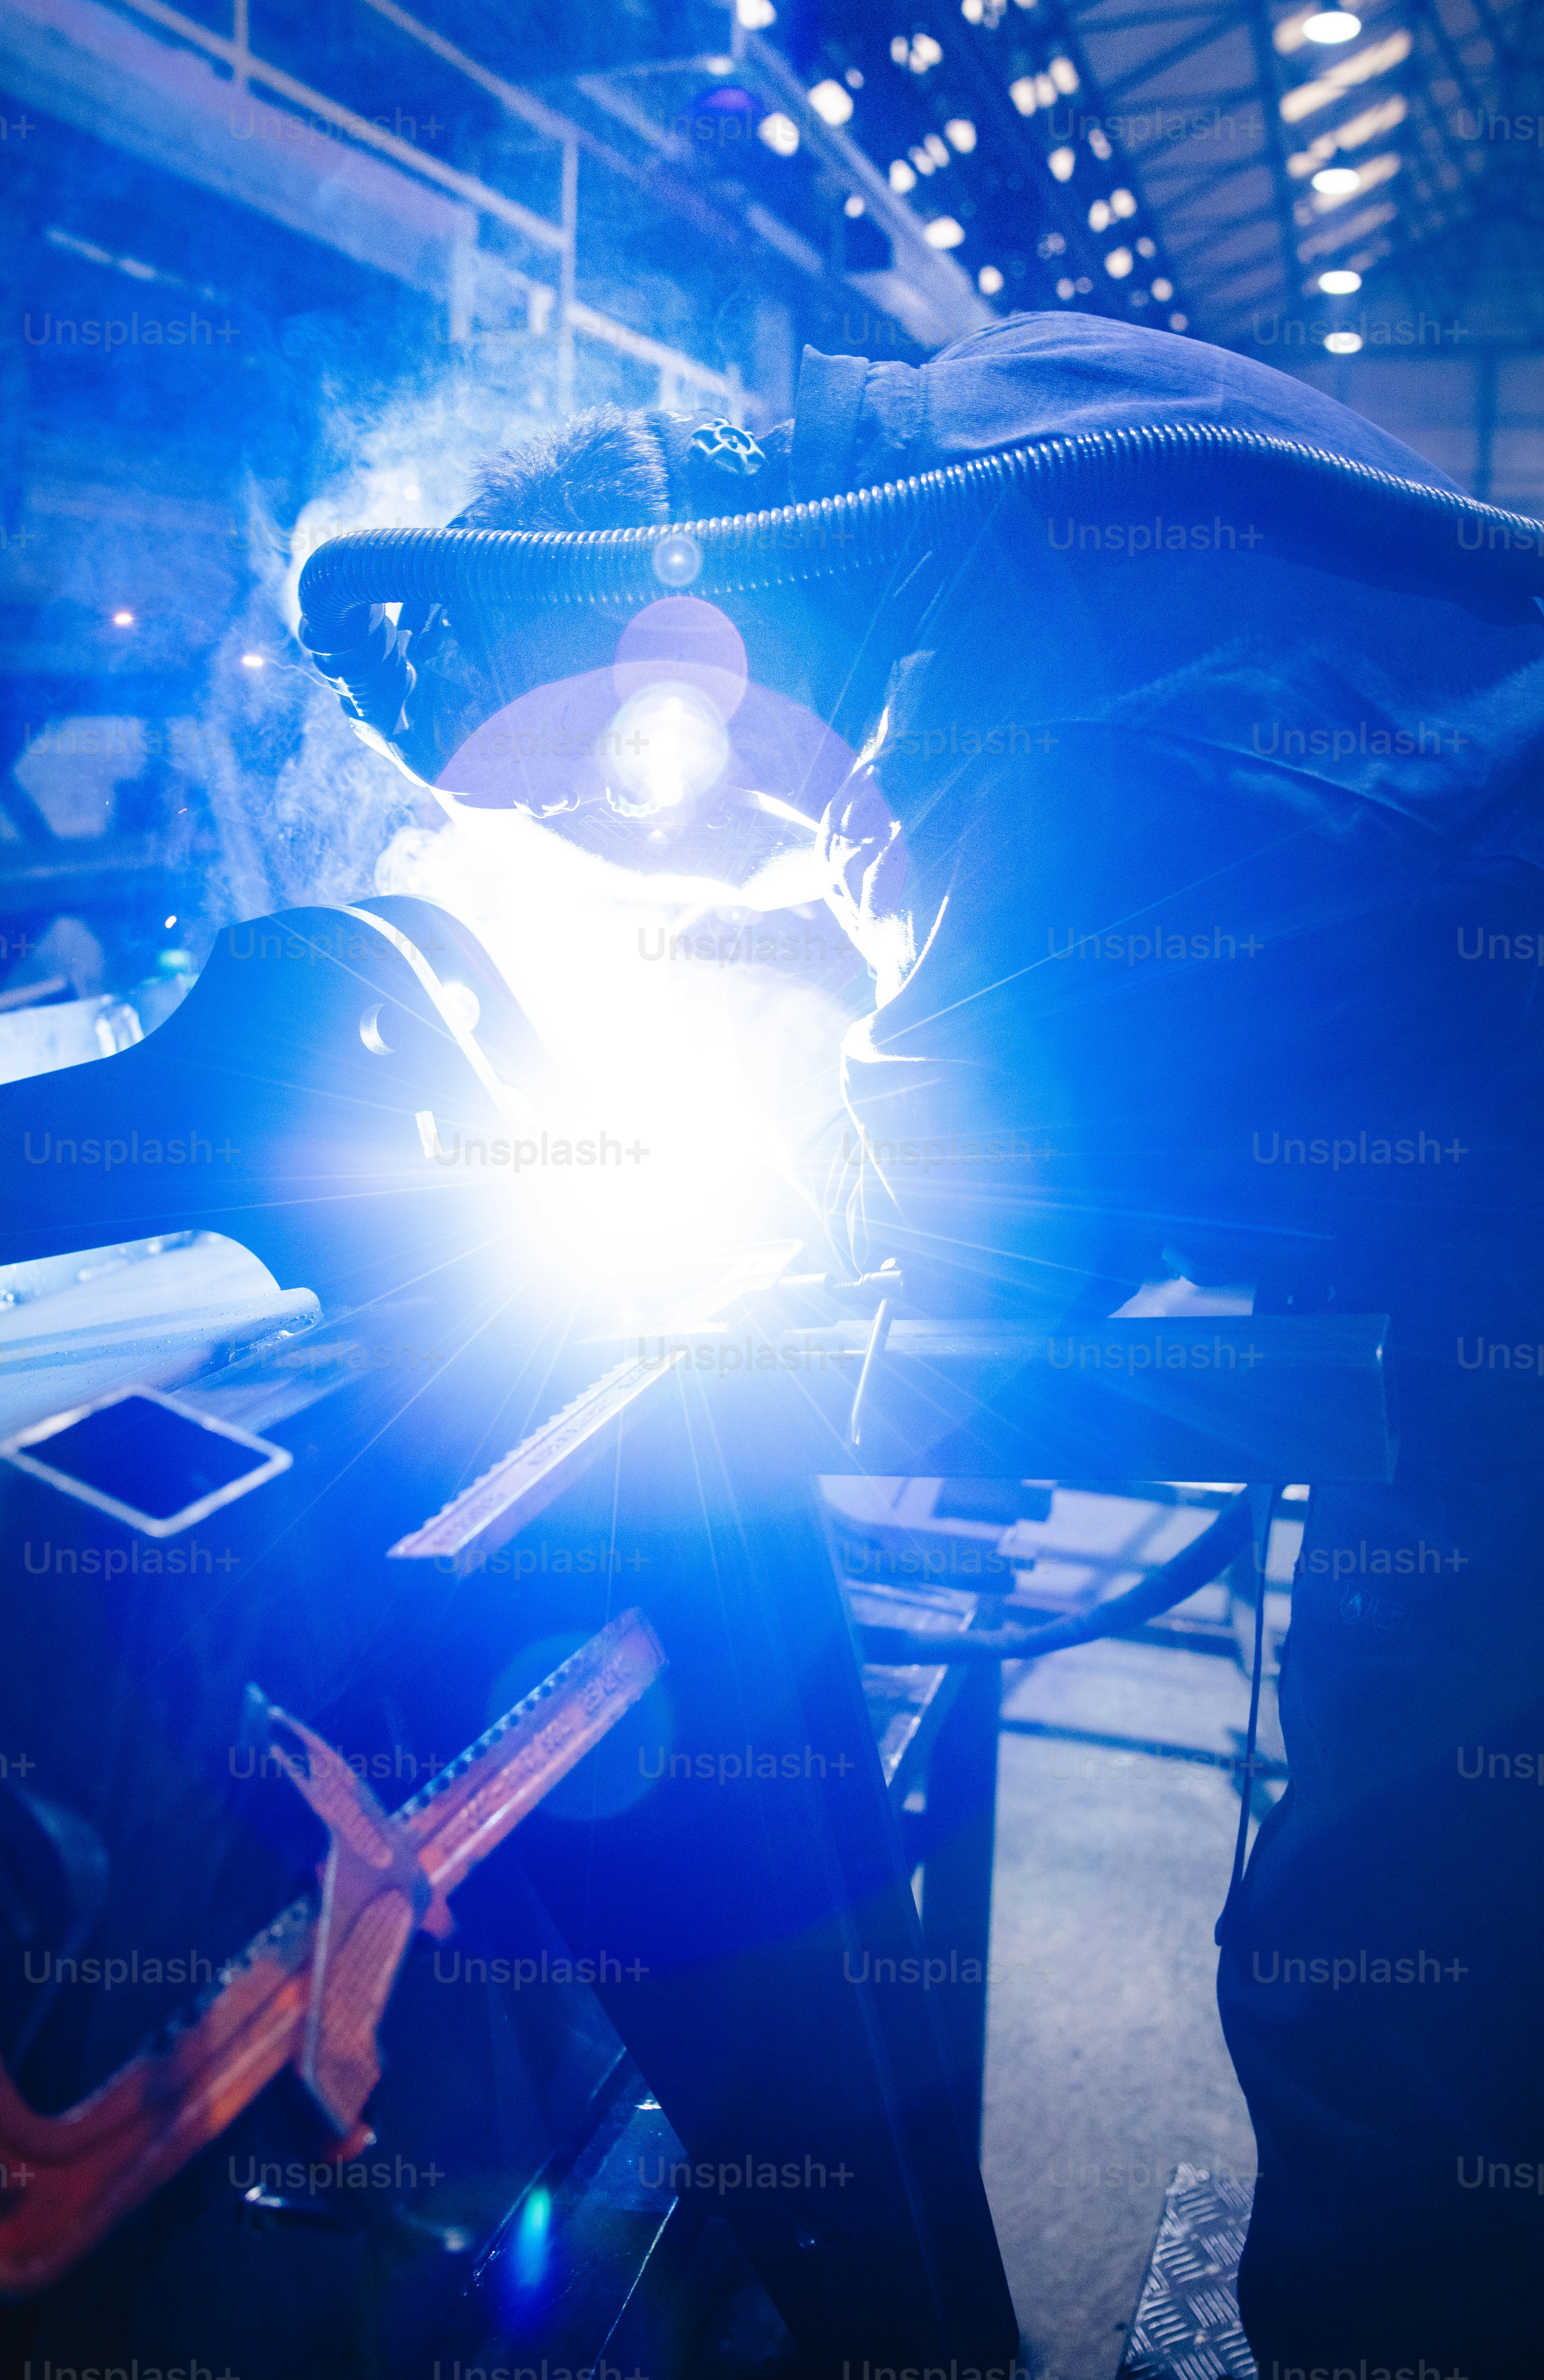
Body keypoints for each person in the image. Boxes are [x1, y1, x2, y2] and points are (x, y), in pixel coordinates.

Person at [305, 311, 1544, 2368]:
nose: (671, 869)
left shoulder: (1004, 724)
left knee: (1385, 1997)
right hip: (1477, 1246)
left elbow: (976, 1257)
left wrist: (768, 1288)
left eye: (624, 825)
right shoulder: (989, 431)